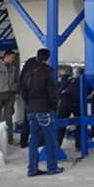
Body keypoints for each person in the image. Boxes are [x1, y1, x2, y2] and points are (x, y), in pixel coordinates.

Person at [21, 48, 64, 177]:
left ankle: (32, 169)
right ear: (48, 59)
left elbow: (23, 91)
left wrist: (30, 103)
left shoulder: (29, 73)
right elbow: (53, 93)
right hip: (44, 110)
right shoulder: (47, 72)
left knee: (33, 140)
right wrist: (54, 107)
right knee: (50, 140)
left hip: (31, 110)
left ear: (36, 58)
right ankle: (52, 168)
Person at [18, 53, 42, 148]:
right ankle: (39, 142)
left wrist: (25, 96)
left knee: (27, 119)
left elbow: (22, 80)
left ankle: (23, 141)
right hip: (37, 99)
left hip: (28, 97)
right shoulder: (41, 68)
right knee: (40, 120)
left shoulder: (28, 64)